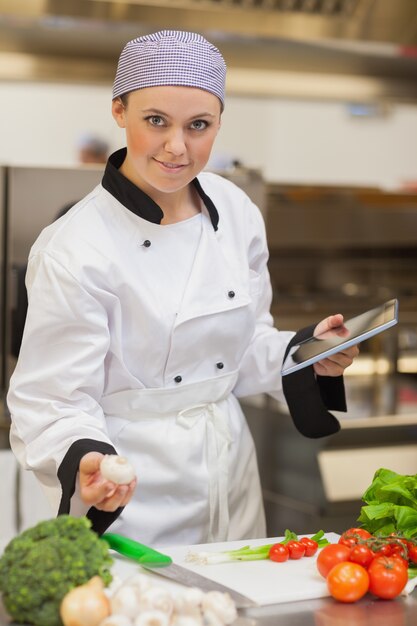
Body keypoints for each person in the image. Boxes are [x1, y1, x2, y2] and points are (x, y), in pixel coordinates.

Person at [7, 30, 358, 546]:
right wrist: (88, 462)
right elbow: (52, 401)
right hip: (130, 489)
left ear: (218, 123)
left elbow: (240, 348)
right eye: (156, 121)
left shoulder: (236, 209)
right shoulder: (74, 248)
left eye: (199, 125)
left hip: (230, 475)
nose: (177, 147)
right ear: (119, 111)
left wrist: (302, 353)